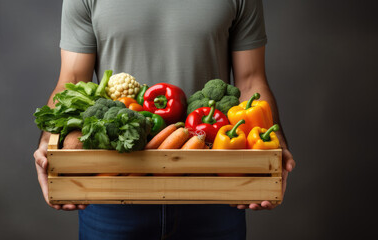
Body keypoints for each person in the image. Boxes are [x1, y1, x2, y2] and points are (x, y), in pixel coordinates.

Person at [33, 0, 296, 239]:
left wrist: (274, 151)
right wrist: (48, 145)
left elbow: (251, 82)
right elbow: (72, 82)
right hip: (111, 191)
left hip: (214, 190)